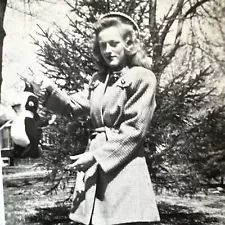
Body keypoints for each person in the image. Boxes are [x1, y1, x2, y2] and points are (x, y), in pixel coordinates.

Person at [33, 12, 160, 225]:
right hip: (96, 162)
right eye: (103, 45)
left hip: (123, 166)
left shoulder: (142, 77)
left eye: (114, 43)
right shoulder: (98, 81)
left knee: (121, 219)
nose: (108, 50)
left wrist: (96, 157)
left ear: (128, 44)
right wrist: (47, 90)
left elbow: (134, 131)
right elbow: (73, 106)